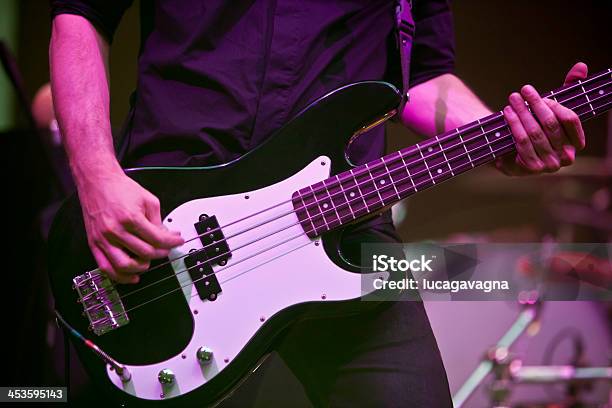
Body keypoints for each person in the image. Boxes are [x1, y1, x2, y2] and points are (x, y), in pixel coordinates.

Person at [48, 1, 586, 406]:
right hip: (172, 228)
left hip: (343, 223)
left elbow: (419, 74)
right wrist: (96, 173)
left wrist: (499, 135)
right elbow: (80, 13)